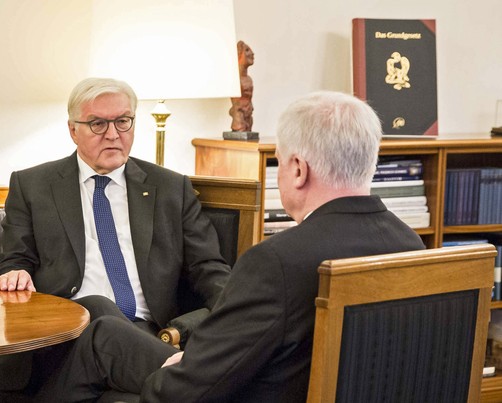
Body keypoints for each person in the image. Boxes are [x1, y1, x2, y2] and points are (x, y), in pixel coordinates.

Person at [40, 90, 426, 402]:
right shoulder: (410, 247)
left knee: (105, 351)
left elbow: (187, 392)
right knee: (107, 332)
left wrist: (170, 374)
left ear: (297, 169)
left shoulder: (277, 262)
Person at [0, 77, 230, 393]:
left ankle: (176, 373)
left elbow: (209, 269)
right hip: (62, 335)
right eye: (97, 124)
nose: (113, 134)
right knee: (98, 306)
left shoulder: (172, 188)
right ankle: (193, 377)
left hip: (147, 331)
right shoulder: (33, 186)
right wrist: (14, 273)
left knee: (106, 323)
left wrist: (241, 314)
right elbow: (15, 260)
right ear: (73, 130)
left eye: (122, 121)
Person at [229, 40, 255, 132]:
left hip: (248, 117)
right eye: (247, 50)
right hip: (239, 117)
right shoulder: (235, 80)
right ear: (238, 55)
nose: (252, 53)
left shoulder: (249, 79)